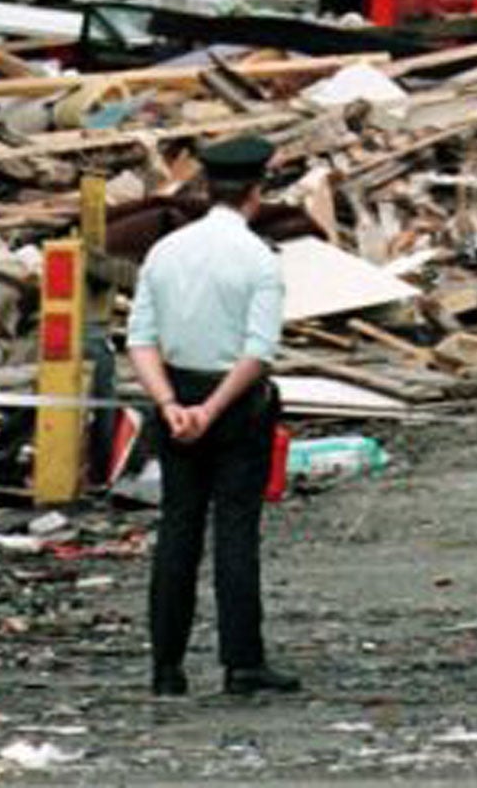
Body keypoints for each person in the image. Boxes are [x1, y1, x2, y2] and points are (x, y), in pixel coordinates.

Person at [126, 135, 299, 700]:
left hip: (175, 397)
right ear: (256, 192)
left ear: (203, 188)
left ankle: (166, 666)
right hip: (234, 404)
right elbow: (258, 352)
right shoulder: (258, 259)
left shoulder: (166, 250)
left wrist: (172, 406)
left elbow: (141, 340)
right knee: (235, 532)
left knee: (177, 530)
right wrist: (212, 408)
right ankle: (242, 662)